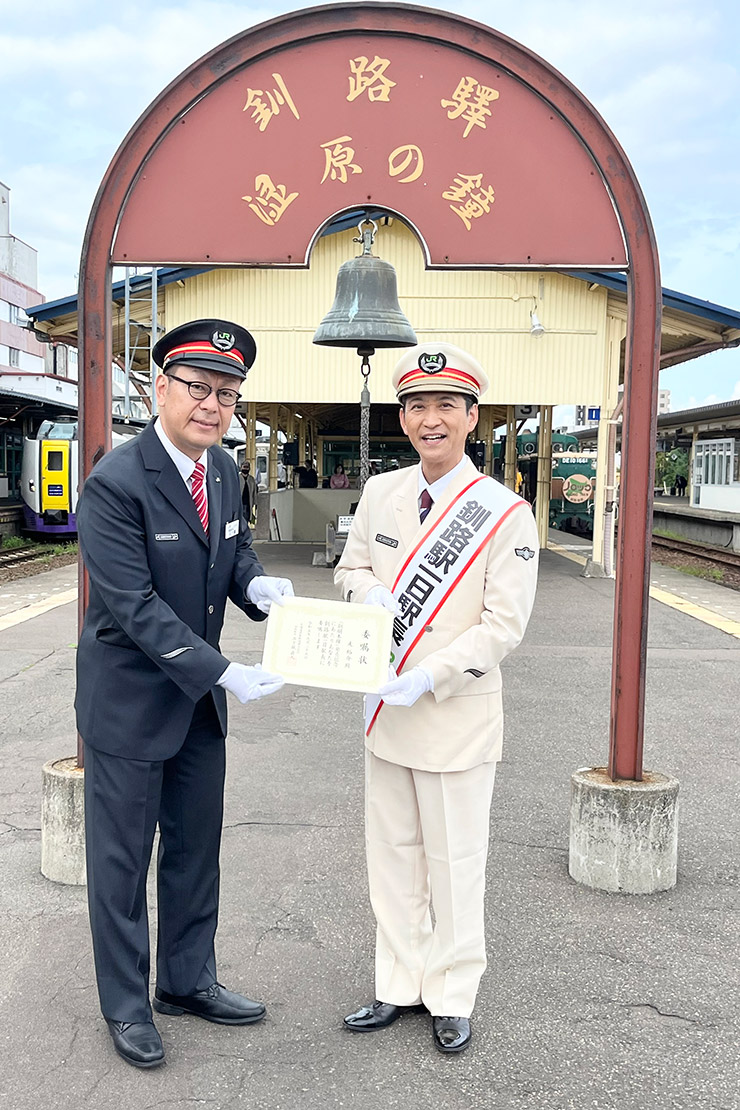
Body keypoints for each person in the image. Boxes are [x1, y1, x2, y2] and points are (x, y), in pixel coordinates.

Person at [75, 318, 294, 1070]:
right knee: (122, 862)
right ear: (160, 388)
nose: (213, 404)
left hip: (196, 707)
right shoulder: (115, 484)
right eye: (199, 387)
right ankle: (128, 1006)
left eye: (227, 393)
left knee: (196, 851)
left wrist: (258, 588)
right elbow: (133, 608)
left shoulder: (226, 472)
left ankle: (187, 981)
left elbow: (232, 553)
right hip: (133, 706)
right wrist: (223, 670)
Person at [334, 342, 539, 1055]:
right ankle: (397, 982)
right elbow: (351, 567)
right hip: (386, 712)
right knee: (391, 855)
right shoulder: (381, 492)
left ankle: (452, 992)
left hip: (453, 716)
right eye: (417, 406)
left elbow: (503, 627)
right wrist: (371, 592)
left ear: (471, 417)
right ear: (402, 417)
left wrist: (431, 674)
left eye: (446, 406)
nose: (431, 419)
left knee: (454, 862)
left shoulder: (504, 513)